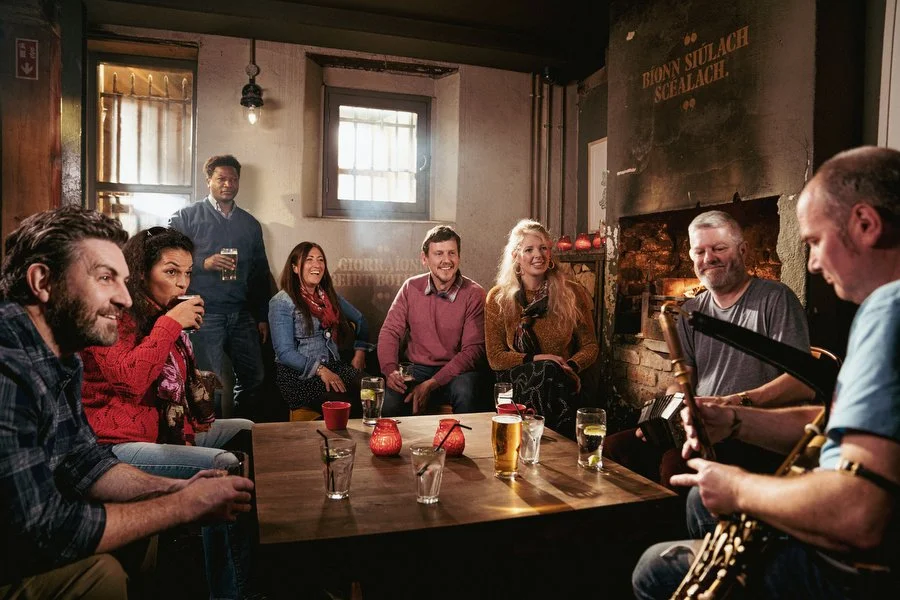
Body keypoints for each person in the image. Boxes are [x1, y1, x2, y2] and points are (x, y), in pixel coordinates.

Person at [633, 146, 900, 599]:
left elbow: (859, 514)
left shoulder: (888, 311)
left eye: (816, 241)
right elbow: (828, 422)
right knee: (698, 503)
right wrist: (734, 419)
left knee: (653, 568)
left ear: (865, 224)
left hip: (857, 567)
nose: (813, 263)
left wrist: (739, 488)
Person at [0, 206, 252, 598]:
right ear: (42, 281)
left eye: (123, 279)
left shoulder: (62, 355)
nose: (123, 296)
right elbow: (42, 529)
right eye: (105, 278)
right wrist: (179, 506)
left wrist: (178, 490)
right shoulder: (9, 367)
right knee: (105, 575)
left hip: (126, 446)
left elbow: (85, 463)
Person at [80, 226, 258, 599]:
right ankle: (232, 592)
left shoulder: (156, 312)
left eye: (187, 272)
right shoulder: (110, 313)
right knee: (224, 465)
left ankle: (237, 557)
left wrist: (176, 332)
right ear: (141, 272)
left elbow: (171, 385)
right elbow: (130, 381)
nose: (182, 283)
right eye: (171, 271)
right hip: (113, 444)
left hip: (158, 429)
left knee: (248, 431)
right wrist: (171, 324)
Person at [604, 210, 814, 487]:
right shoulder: (692, 310)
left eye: (719, 248)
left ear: (742, 250)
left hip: (752, 428)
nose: (708, 258)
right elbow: (683, 380)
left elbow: (803, 383)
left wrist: (736, 403)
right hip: (702, 423)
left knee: (675, 465)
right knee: (613, 449)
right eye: (699, 251)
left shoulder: (775, 299)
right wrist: (664, 416)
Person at [169, 154, 272, 420]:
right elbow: (168, 259)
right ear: (209, 181)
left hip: (242, 312)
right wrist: (204, 262)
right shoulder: (186, 217)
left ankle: (241, 434)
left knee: (255, 379)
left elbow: (260, 273)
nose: (228, 184)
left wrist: (261, 316)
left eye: (233, 179)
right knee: (207, 384)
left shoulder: (250, 224)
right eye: (221, 179)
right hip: (204, 312)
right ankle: (211, 439)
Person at [484, 219, 598, 436]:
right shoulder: (498, 297)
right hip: (515, 383)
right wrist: (539, 359)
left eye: (543, 248)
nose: (538, 255)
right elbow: (495, 358)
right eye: (529, 249)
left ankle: (546, 441)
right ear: (516, 256)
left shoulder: (572, 293)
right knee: (547, 368)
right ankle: (557, 440)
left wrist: (570, 367)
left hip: (562, 379)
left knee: (552, 373)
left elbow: (590, 346)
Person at [378, 225, 486, 416]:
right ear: (424, 258)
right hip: (416, 370)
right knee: (388, 403)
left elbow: (472, 352)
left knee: (466, 390)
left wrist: (431, 383)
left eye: (452, 253)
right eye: (439, 253)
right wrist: (390, 370)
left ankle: (462, 437)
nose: (447, 260)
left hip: (457, 372)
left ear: (459, 257)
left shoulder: (474, 294)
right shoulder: (411, 287)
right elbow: (390, 332)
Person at [269, 242, 372, 414]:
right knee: (352, 405)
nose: (316, 265)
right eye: (309, 260)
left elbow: (361, 320)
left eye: (320, 260)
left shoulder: (328, 296)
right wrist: (320, 369)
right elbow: (284, 353)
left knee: (375, 394)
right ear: (295, 268)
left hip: (334, 367)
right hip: (300, 377)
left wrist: (360, 353)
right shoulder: (281, 302)